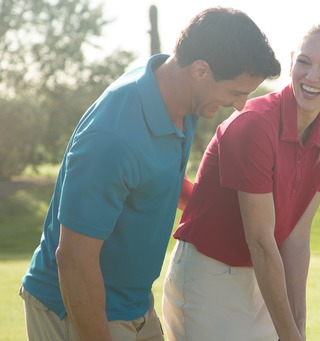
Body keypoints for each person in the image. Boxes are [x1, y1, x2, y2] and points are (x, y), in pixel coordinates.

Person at [19, 7, 281, 341]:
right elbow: (73, 259)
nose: (241, 105)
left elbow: (159, 181)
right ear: (201, 71)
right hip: (75, 307)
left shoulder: (181, 103)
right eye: (236, 92)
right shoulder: (113, 138)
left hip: (135, 306)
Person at [162, 20, 320, 341]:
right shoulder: (255, 124)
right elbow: (261, 242)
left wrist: (298, 324)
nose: (312, 76)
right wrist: (288, 334)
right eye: (305, 62)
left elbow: (296, 238)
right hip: (209, 277)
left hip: (264, 279)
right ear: (292, 61)